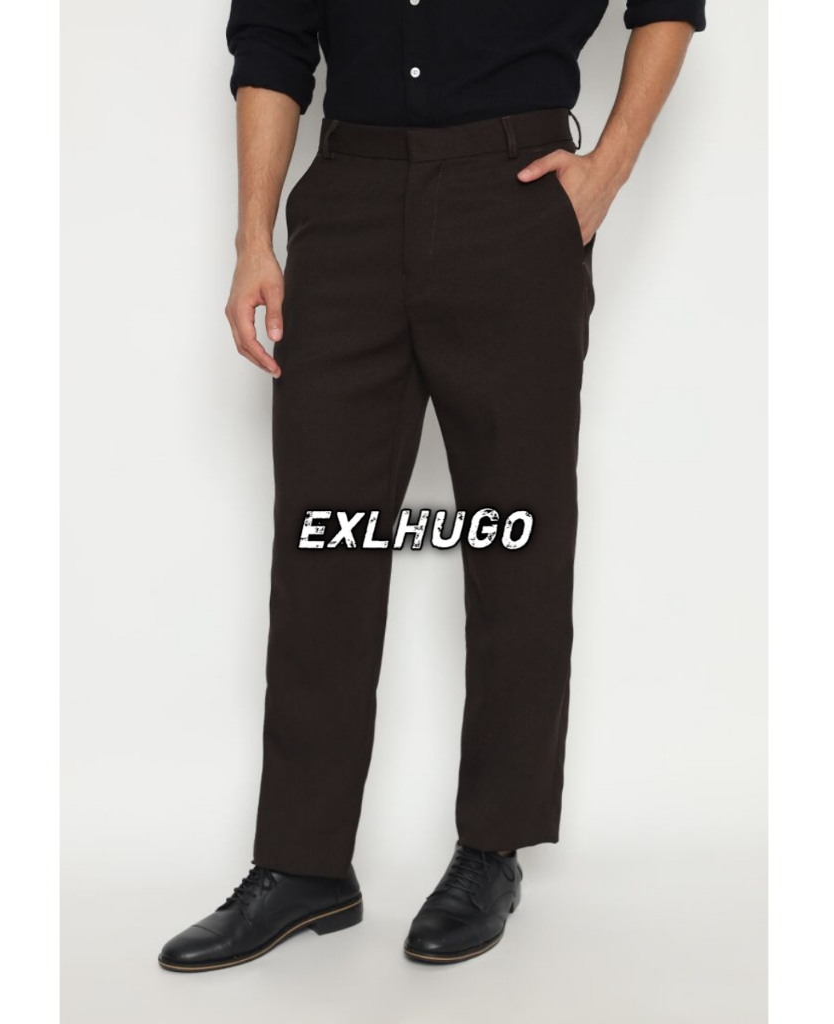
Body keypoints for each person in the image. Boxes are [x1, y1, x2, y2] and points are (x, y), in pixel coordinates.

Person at [159, 0, 705, 972]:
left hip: (515, 194)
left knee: (516, 534)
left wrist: (608, 168)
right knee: (324, 539)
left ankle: (493, 847)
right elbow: (273, 35)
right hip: (349, 195)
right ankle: (303, 865)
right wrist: (253, 237)